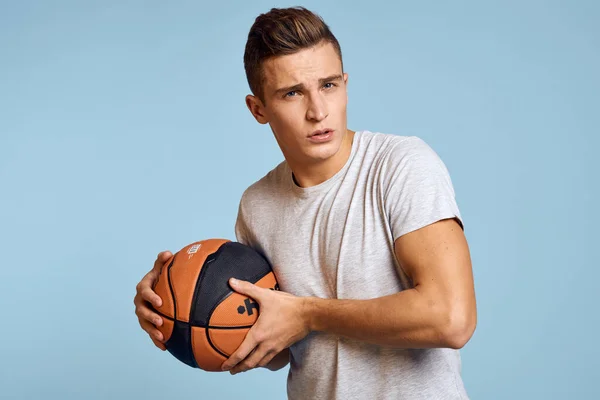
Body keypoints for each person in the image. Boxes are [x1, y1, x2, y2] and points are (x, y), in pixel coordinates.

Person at [134, 6, 477, 400]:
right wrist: (172, 310)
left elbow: (452, 319)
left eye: (329, 85)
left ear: (345, 84)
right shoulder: (257, 205)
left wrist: (309, 313)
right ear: (258, 109)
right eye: (293, 93)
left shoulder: (401, 165)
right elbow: (276, 347)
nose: (318, 111)